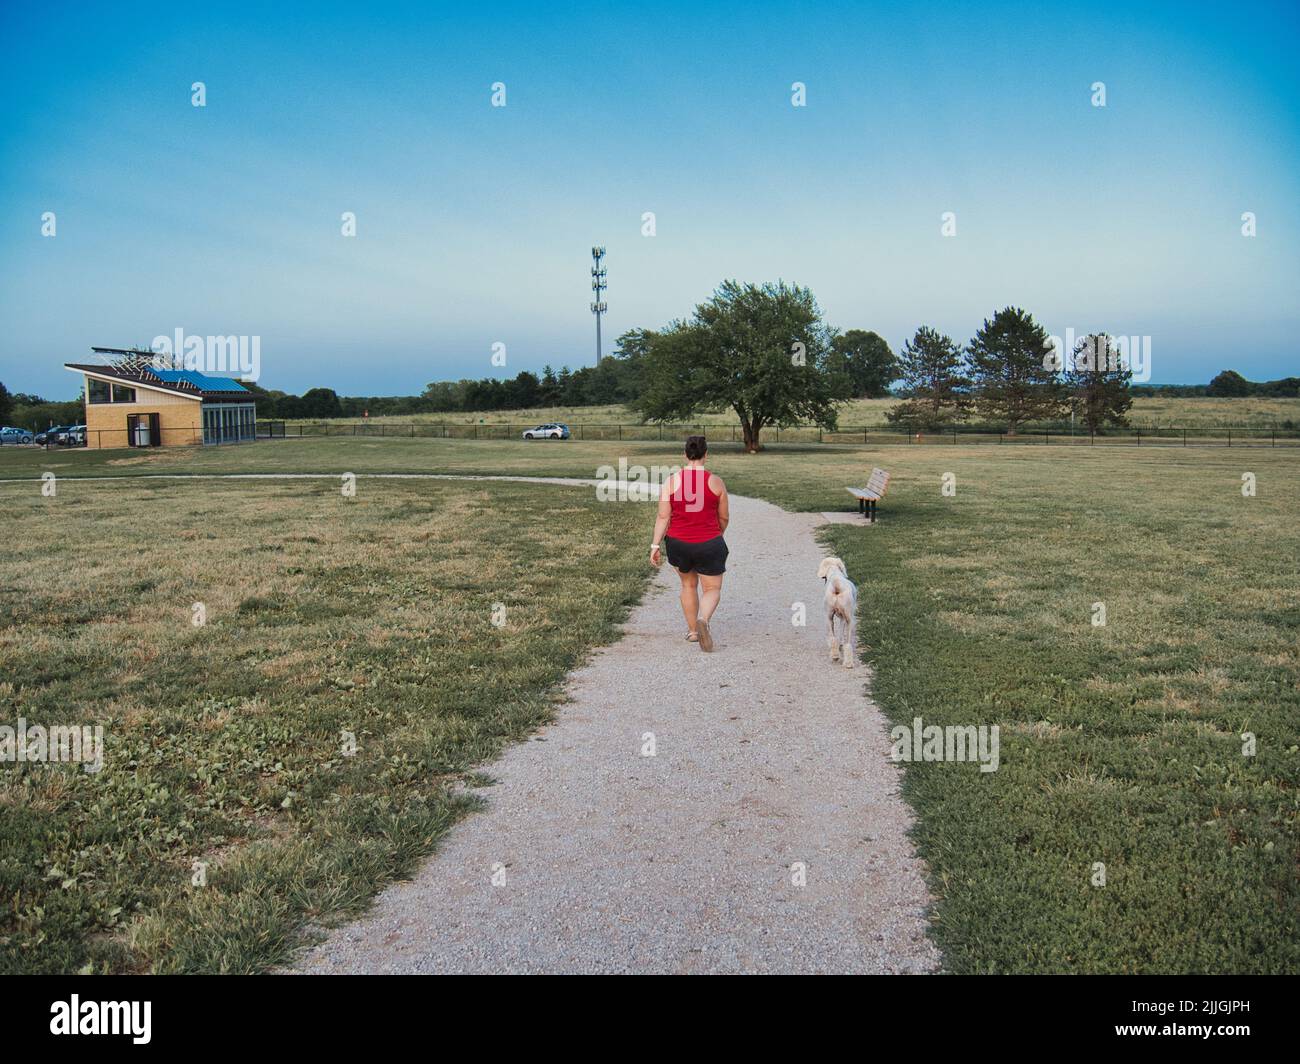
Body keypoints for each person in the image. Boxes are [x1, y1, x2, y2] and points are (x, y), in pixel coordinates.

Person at [650, 435, 729, 651]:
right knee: (712, 588)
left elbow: (663, 517)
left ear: (685, 455)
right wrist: (716, 535)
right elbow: (724, 518)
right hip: (709, 542)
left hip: (678, 543)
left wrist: (655, 545)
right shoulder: (715, 482)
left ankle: (693, 631)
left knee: (687, 584)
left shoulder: (671, 482)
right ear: (706, 455)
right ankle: (703, 619)